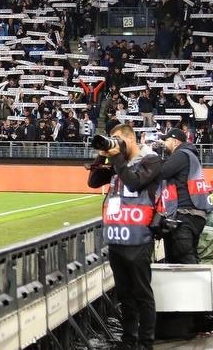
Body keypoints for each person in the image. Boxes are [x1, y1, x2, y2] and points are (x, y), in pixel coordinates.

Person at [87, 124, 161, 350]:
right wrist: (102, 156)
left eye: (118, 139)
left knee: (142, 295)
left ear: (131, 139)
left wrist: (117, 158)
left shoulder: (152, 160)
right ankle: (129, 341)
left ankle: (145, 343)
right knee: (125, 295)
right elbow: (93, 182)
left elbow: (134, 182)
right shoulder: (118, 163)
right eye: (112, 139)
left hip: (139, 238)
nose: (114, 144)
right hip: (117, 236)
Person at [158, 128, 213, 264]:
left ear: (176, 142)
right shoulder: (189, 154)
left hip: (185, 213)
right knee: (189, 255)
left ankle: (196, 284)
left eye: (167, 140)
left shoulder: (180, 155)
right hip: (194, 212)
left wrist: (148, 155)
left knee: (184, 257)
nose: (164, 143)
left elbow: (161, 172)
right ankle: (199, 284)